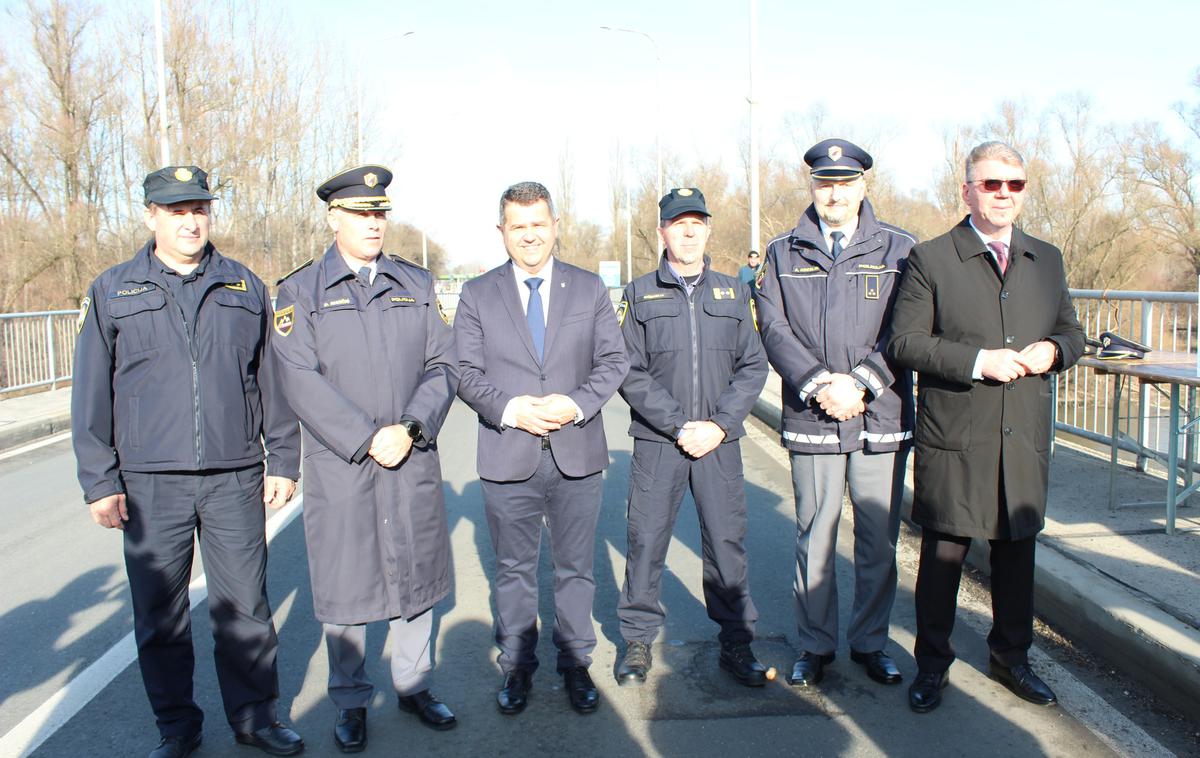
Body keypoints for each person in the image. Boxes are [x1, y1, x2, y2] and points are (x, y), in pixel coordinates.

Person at [72, 166, 304, 758]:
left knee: (246, 609)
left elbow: (270, 383)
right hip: (150, 485)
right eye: (176, 210)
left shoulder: (244, 287)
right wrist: (100, 481)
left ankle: (255, 718)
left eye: (199, 208)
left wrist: (283, 460)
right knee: (160, 618)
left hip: (233, 476)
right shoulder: (113, 290)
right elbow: (92, 395)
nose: (190, 220)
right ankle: (177, 728)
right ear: (151, 216)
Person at [887, 141, 1084, 713]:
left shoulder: (1045, 258)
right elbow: (906, 341)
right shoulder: (933, 258)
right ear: (967, 188)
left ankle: (1011, 658)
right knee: (944, 556)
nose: (1003, 194)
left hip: (1021, 434)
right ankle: (932, 663)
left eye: (1014, 185)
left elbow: (1073, 332)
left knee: (1016, 555)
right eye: (991, 183)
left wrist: (1054, 349)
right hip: (958, 434)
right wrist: (979, 362)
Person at [270, 165, 460, 751]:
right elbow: (297, 378)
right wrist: (365, 436)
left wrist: (408, 427)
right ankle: (350, 700)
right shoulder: (299, 292)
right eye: (360, 213)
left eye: (380, 213)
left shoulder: (415, 283)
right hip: (343, 463)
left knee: (415, 575)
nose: (373, 223)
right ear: (334, 219)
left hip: (409, 456)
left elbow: (444, 364)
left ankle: (413, 683)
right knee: (347, 584)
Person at [454, 181, 629, 716]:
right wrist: (512, 409)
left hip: (576, 449)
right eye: (517, 226)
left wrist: (574, 403)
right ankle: (517, 667)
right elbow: (463, 371)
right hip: (509, 451)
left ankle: (576, 663)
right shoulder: (477, 294)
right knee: (513, 568)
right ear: (502, 232)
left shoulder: (589, 288)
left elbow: (613, 361)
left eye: (538, 224)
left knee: (576, 567)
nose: (529, 236)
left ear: (556, 225)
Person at [754, 139, 916, 690]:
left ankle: (871, 643)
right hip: (814, 414)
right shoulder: (782, 252)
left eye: (845, 183)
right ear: (812, 188)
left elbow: (907, 328)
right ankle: (814, 646)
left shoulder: (899, 248)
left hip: (880, 413)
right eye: (824, 183)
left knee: (877, 541)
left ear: (863, 187)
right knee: (815, 537)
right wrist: (822, 384)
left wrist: (863, 384)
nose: (834, 193)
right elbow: (774, 328)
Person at [614, 188, 769, 688]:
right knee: (646, 538)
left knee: (726, 542)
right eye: (678, 223)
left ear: (707, 229)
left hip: (719, 442)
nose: (687, 231)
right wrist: (680, 424)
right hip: (661, 440)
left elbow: (753, 364)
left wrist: (720, 424)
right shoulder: (639, 295)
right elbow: (628, 371)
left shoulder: (733, 292)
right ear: (662, 231)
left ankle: (737, 643)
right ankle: (637, 640)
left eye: (696, 222)